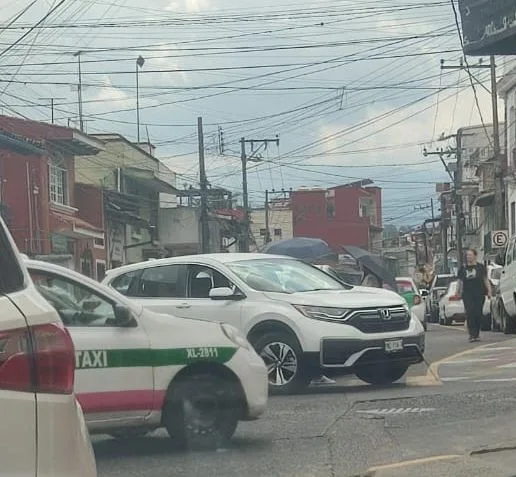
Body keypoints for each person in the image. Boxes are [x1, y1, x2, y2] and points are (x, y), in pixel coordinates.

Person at [458, 249, 492, 342]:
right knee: (470, 313)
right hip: (467, 294)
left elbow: (485, 279)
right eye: (467, 255)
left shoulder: (481, 267)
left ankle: (477, 334)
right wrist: (458, 292)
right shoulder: (463, 268)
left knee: (478, 313)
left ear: (475, 256)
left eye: (470, 255)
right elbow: (460, 281)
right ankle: (472, 334)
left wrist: (489, 291)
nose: (468, 257)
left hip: (479, 293)